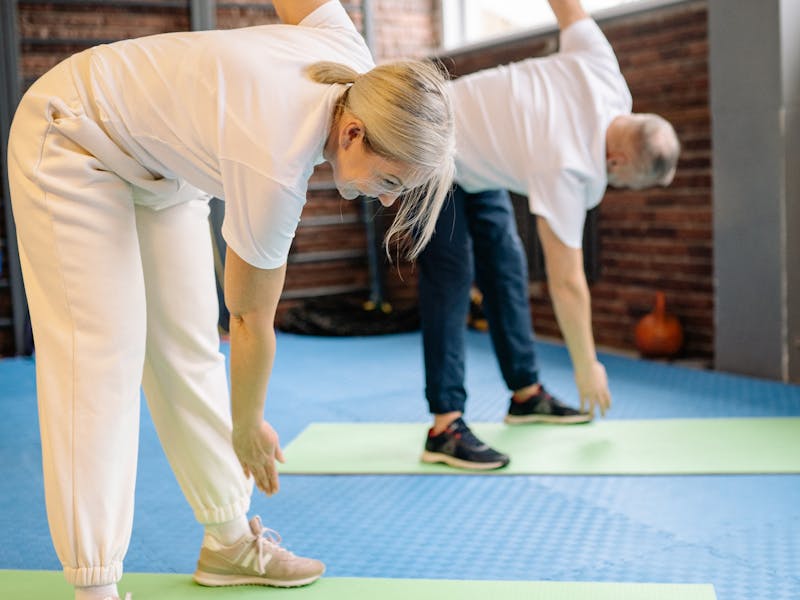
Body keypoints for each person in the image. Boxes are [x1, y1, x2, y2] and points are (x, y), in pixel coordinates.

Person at [7, 1, 455, 598]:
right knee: (101, 355)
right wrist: (248, 425)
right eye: (392, 181)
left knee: (188, 344)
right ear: (352, 133)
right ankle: (93, 585)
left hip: (161, 163)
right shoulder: (276, 164)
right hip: (73, 132)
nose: (391, 201)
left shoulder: (358, 70)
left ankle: (227, 542)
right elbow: (249, 318)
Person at [419, 0, 680, 470]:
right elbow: (566, 282)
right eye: (625, 183)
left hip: (477, 163)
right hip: (425, 145)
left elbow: (567, 6)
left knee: (506, 265)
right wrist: (587, 364)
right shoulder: (567, 165)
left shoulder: (603, 65)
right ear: (617, 165)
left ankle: (525, 394)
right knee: (451, 277)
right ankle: (444, 426)